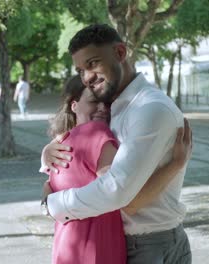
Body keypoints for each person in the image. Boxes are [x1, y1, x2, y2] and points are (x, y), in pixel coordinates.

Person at [41, 24, 192, 263]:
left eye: (92, 64)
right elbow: (85, 153)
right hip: (132, 243)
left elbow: (119, 193)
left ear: (120, 53)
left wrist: (53, 205)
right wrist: (49, 152)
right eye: (80, 70)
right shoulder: (115, 107)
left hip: (147, 245)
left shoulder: (149, 109)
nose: (87, 77)